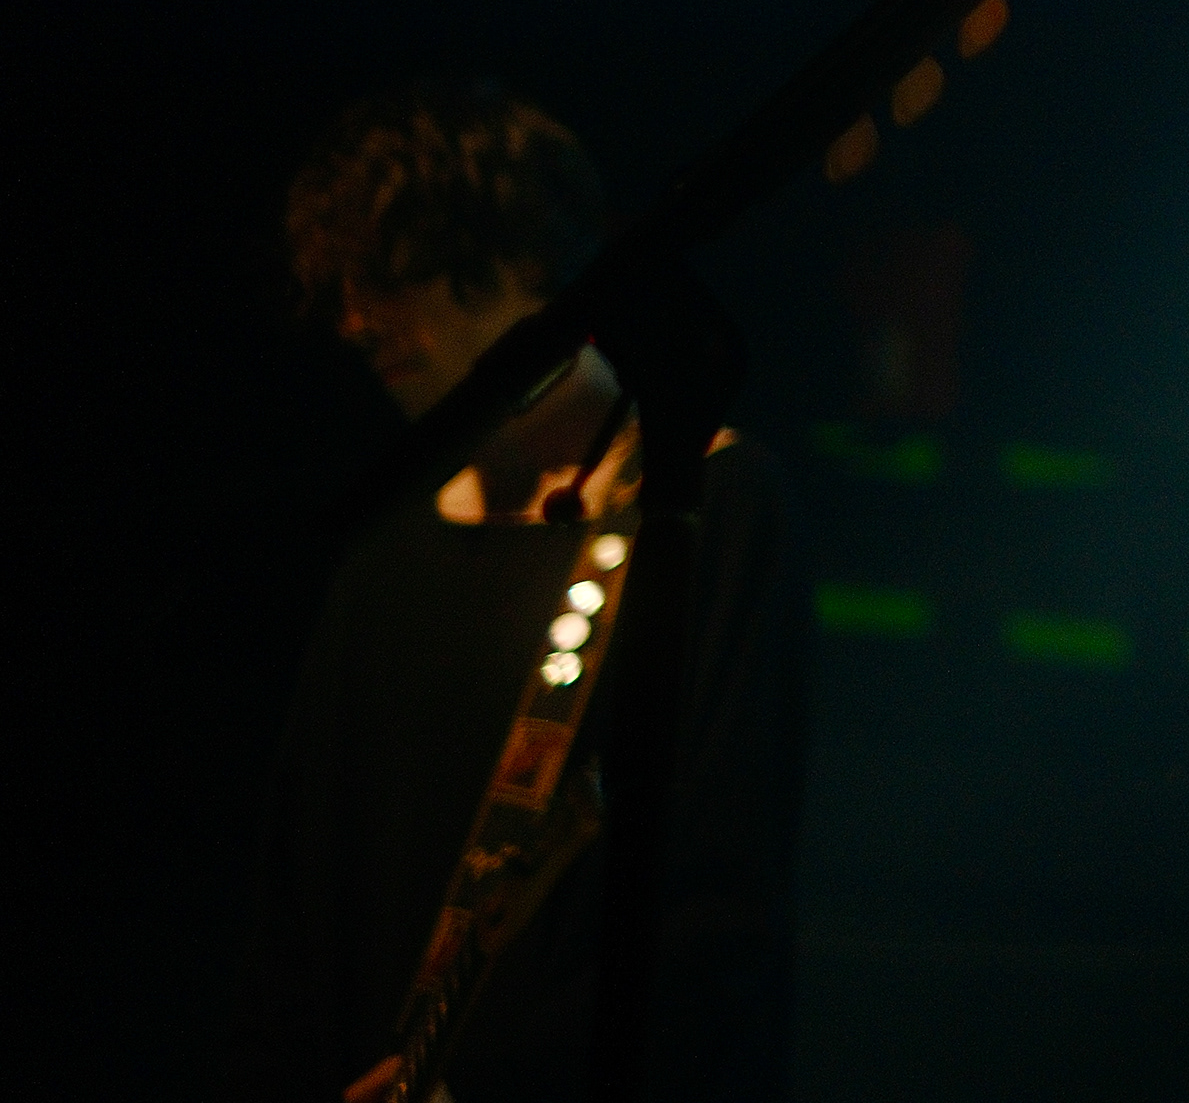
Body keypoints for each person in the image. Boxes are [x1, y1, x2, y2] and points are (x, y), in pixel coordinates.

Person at [228, 81, 806, 1103]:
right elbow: (295, 904)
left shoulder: (710, 500)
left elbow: (719, 900)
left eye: (393, 273)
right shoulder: (386, 549)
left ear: (521, 256)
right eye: (345, 287)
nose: (357, 322)